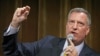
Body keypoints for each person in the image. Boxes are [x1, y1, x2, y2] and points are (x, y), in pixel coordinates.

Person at [2, 6, 100, 56]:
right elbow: (12, 52)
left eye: (80, 23)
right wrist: (15, 24)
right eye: (71, 22)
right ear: (66, 25)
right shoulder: (47, 43)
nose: (74, 27)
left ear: (87, 30)